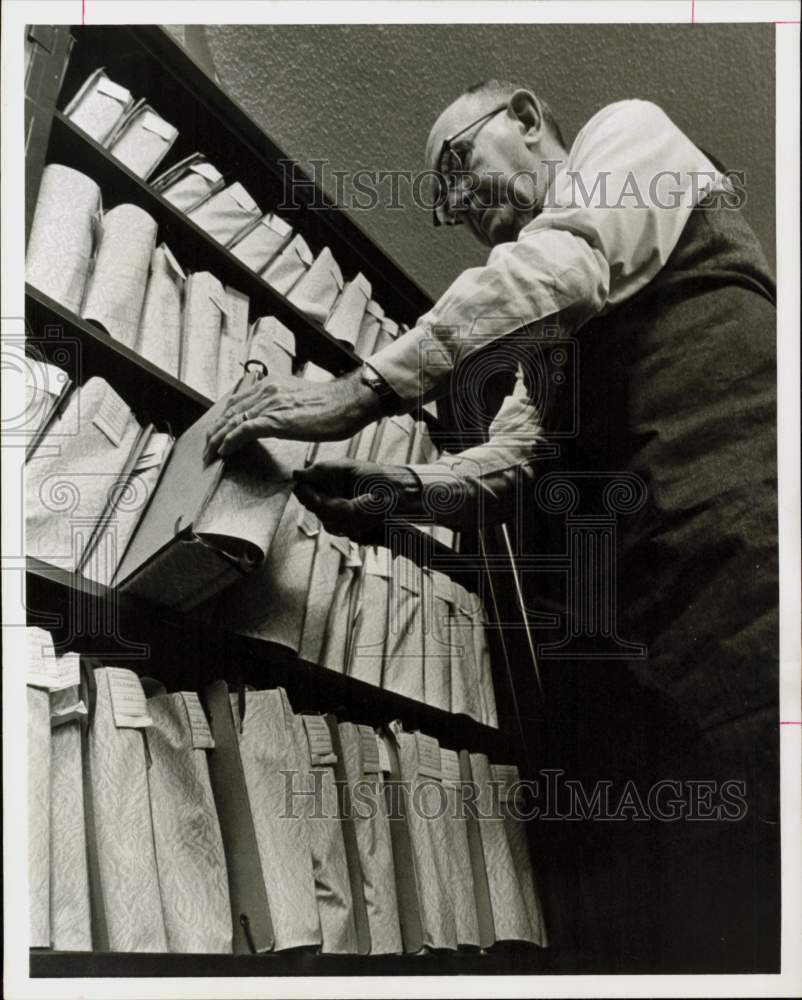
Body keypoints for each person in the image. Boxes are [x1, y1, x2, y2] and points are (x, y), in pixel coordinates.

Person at [204, 80, 779, 972]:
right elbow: (511, 458)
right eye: (443, 199)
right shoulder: (552, 332)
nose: (461, 204)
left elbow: (566, 261)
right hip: (672, 611)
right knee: (740, 866)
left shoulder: (626, 135)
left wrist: (353, 395)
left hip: (758, 545)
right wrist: (399, 489)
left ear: (524, 115)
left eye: (459, 164)